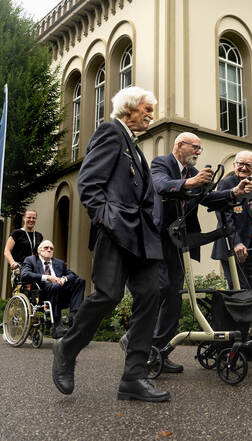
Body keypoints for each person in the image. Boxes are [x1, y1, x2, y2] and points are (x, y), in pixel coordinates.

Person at [52, 86, 169, 403]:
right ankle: (68, 346)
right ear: (129, 108)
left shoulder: (135, 146)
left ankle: (134, 377)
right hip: (117, 232)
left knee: (150, 294)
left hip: (142, 236)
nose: (150, 114)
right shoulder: (110, 132)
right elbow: (89, 183)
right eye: (146, 108)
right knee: (108, 295)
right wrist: (107, 220)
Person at [139, 132, 252, 373]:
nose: (199, 153)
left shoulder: (192, 173)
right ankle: (136, 342)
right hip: (158, 240)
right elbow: (160, 186)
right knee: (160, 291)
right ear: (180, 145)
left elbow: (209, 199)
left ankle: (159, 352)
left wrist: (234, 193)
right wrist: (192, 182)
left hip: (180, 242)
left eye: (200, 149)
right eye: (196, 148)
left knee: (173, 296)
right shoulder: (162, 163)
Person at [210, 150, 252, 290]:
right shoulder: (226, 183)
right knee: (240, 291)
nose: (244, 167)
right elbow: (224, 215)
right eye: (240, 163)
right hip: (233, 247)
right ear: (234, 164)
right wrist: (236, 242)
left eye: (248, 165)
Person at [20, 240, 86, 339]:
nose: (49, 250)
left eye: (51, 248)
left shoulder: (59, 263)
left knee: (80, 281)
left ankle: (74, 316)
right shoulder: (31, 260)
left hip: (60, 289)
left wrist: (64, 278)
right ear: (39, 250)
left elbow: (73, 275)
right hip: (41, 291)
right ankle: (57, 325)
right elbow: (24, 275)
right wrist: (47, 277)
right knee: (55, 286)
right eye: (46, 248)